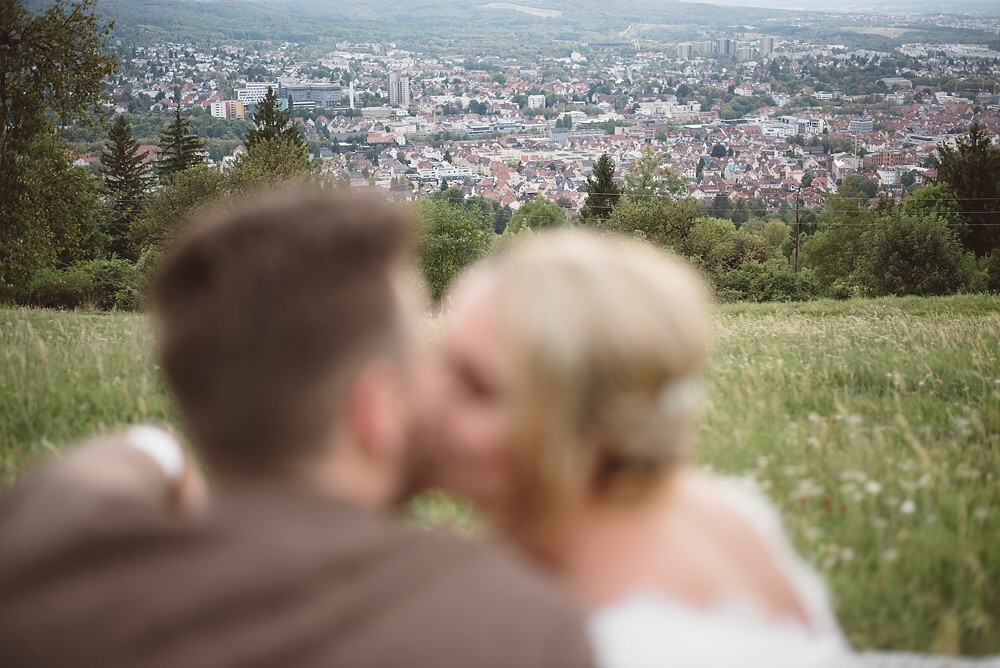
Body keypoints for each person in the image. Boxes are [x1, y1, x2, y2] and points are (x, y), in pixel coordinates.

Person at [0, 190, 595, 668]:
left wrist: (157, 452)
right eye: (423, 363)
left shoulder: (40, 561)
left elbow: (76, 484)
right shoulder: (516, 628)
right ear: (375, 409)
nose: (439, 390)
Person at [421, 229, 862, 668]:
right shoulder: (726, 508)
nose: (426, 398)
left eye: (476, 387)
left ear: (592, 427)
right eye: (441, 362)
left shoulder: (605, 644)